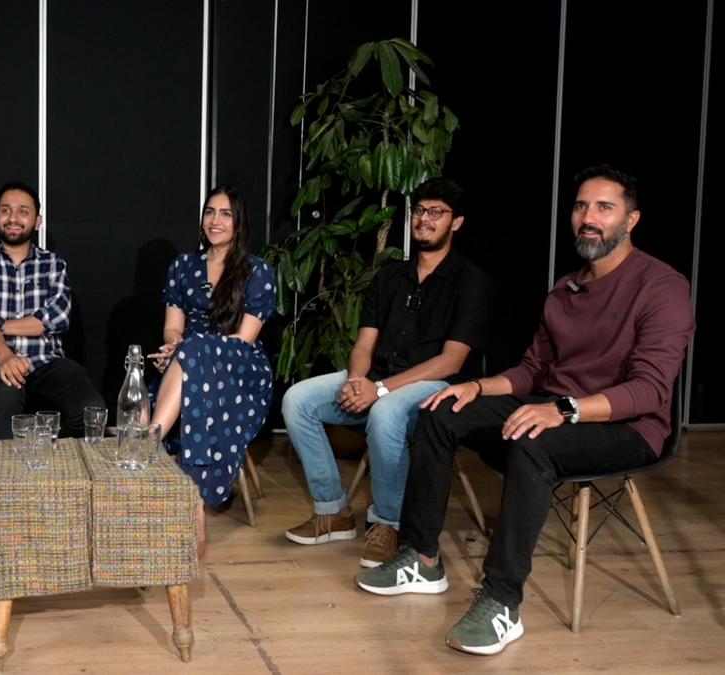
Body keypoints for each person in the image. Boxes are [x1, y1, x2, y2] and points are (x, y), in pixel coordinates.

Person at [356, 164, 695, 656]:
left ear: (632, 219)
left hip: (628, 426)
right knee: (440, 408)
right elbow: (533, 370)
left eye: (605, 207)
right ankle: (422, 559)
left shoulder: (662, 286)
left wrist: (566, 410)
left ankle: (500, 603)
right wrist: (477, 386)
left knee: (533, 443)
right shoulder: (566, 288)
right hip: (553, 406)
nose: (589, 218)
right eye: (581, 206)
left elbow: (649, 391)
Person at [281, 177, 493, 568]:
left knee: (386, 412)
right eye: (420, 211)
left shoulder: (471, 281)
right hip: (379, 378)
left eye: (436, 213)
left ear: (456, 223)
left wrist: (378, 391)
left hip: (435, 386)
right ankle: (333, 512)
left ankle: (389, 524)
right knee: (298, 400)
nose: (424, 220)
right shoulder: (390, 274)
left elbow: (452, 361)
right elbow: (364, 343)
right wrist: (355, 381)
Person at [148, 185, 276, 555]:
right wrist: (175, 346)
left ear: (239, 223)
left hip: (242, 370)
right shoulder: (183, 266)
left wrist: (187, 349)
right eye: (209, 212)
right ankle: (163, 503)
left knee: (195, 349)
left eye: (225, 214)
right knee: (143, 389)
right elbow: (173, 325)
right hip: (189, 365)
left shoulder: (258, 271)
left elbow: (244, 340)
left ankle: (152, 443)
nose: (214, 221)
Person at [0, 181, 105, 440]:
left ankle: (54, 468)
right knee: (8, 392)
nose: (13, 218)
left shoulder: (54, 264)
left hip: (46, 361)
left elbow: (56, 319)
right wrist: (5, 355)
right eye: (6, 210)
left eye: (23, 211)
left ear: (37, 221)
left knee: (91, 410)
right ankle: (9, 478)